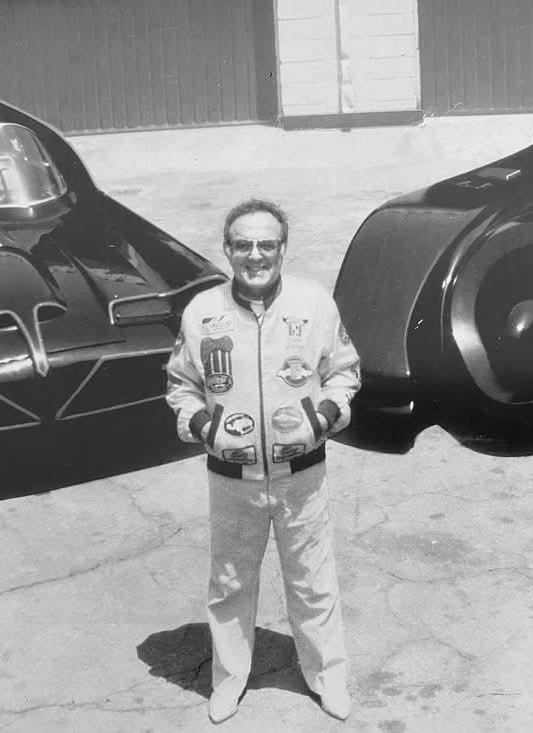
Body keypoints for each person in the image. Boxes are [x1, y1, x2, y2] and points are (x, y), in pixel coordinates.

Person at [165, 198, 360, 723]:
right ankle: (228, 680)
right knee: (229, 584)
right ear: (227, 250)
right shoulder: (202, 312)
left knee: (313, 582)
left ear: (283, 249)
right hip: (233, 479)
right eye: (244, 245)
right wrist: (205, 428)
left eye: (267, 244)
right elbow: (181, 385)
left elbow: (344, 373)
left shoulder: (314, 304)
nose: (256, 255)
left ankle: (327, 678)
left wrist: (320, 418)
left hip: (302, 475)